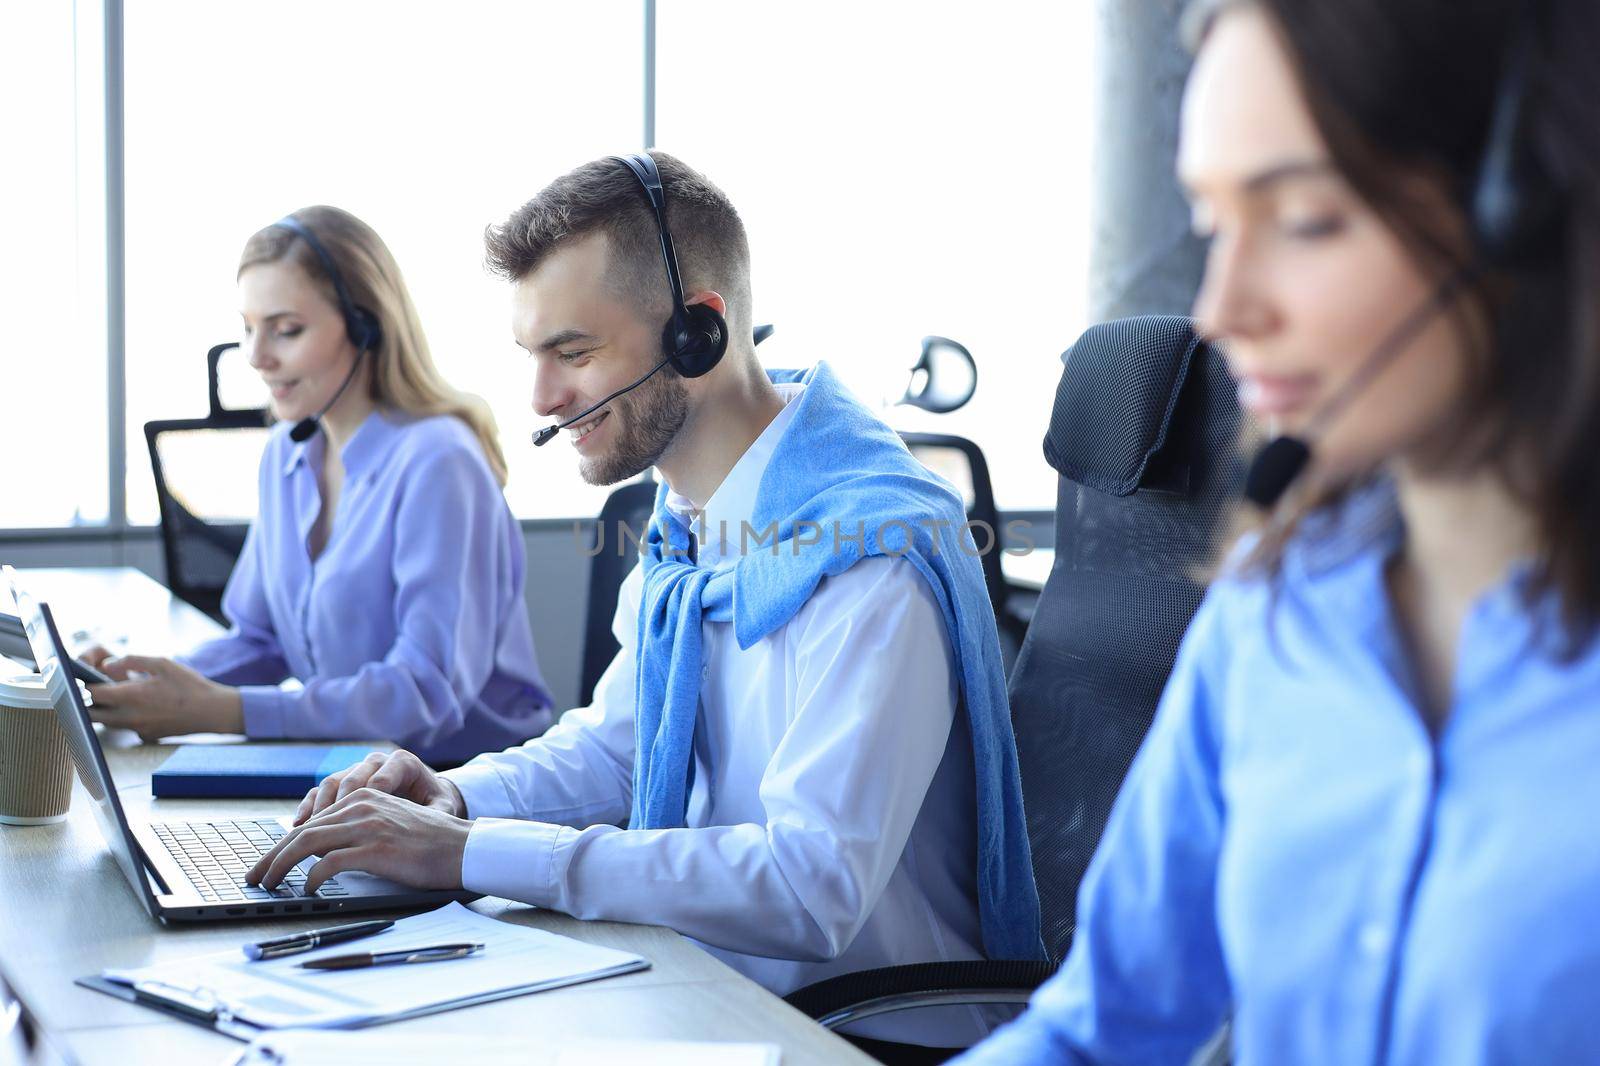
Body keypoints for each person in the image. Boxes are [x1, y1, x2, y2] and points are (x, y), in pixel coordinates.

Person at [248, 152, 1043, 1056]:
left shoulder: (868, 560)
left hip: (858, 1031)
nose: (542, 399)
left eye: (573, 353)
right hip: (710, 991)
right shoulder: (689, 530)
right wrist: (456, 799)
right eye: (534, 355)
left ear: (696, 334)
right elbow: (621, 750)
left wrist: (471, 856)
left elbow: (809, 884)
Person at [954, 0, 1600, 1062]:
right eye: (1211, 224)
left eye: (1302, 218)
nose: (1218, 308)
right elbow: (1100, 1027)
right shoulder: (1269, 614)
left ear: (1517, 210)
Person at [84, 206, 554, 765]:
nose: (257, 358)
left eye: (286, 330)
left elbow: (426, 692)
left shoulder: (438, 461)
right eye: (249, 328)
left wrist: (225, 710)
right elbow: (262, 640)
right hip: (350, 768)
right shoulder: (286, 454)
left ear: (365, 326)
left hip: (461, 784)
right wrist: (139, 678)